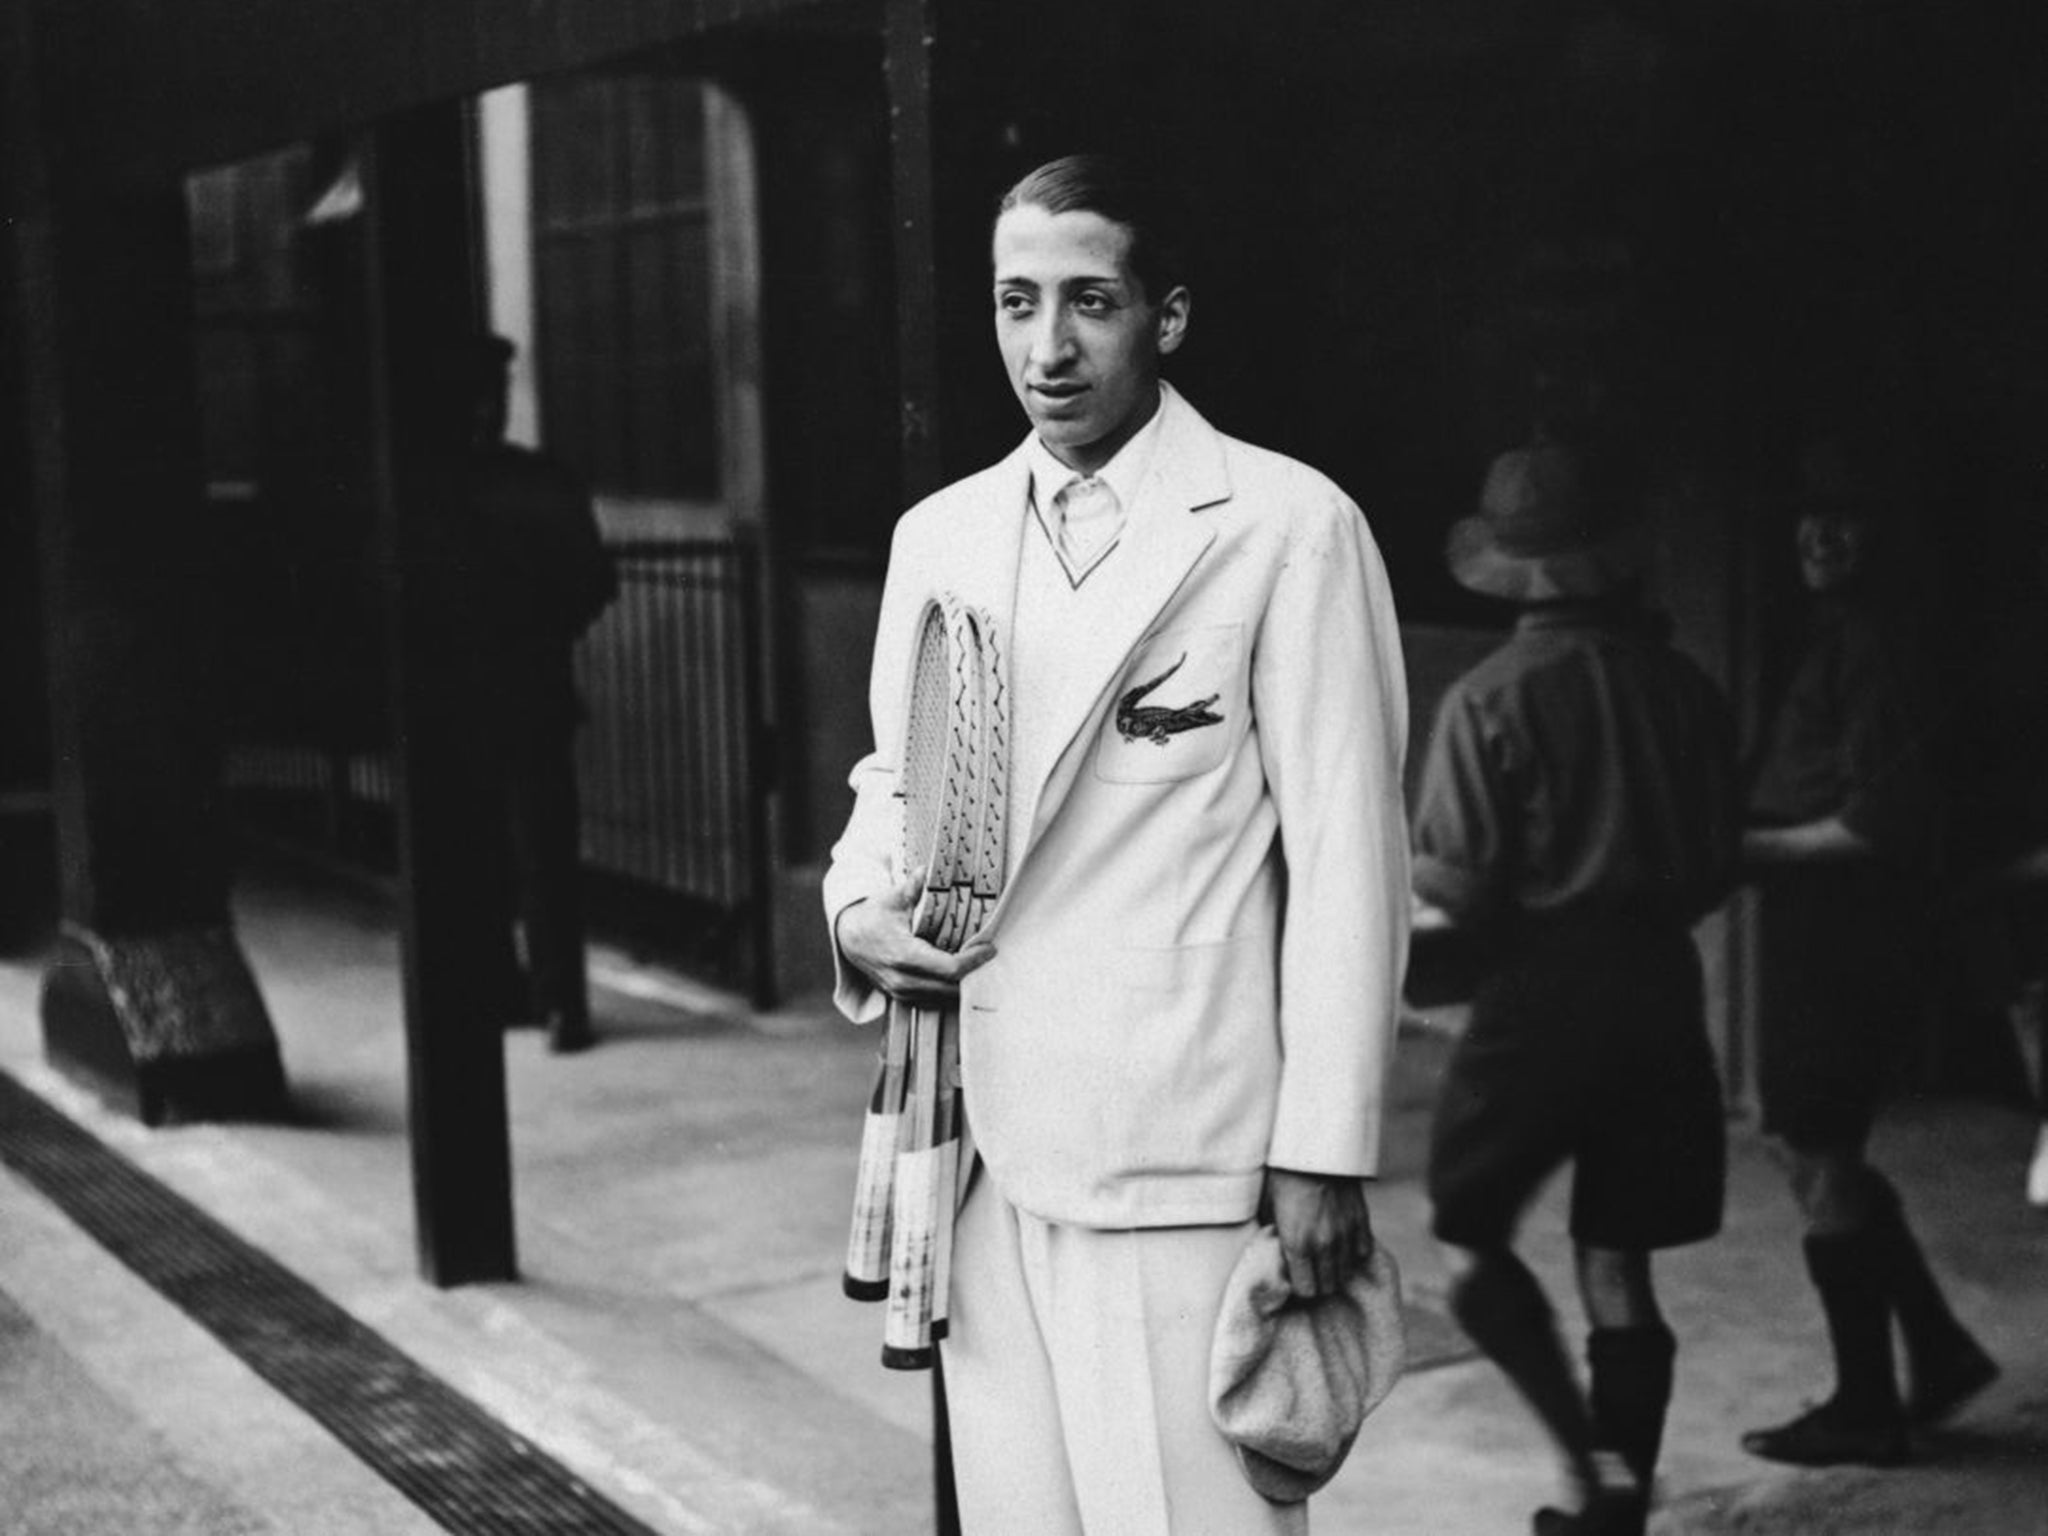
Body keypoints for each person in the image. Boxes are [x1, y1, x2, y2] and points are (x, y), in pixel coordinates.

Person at [823, 154, 1410, 1533]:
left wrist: (1323, 1152)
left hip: (1183, 1148)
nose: (1048, 345)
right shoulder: (943, 535)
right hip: (979, 1141)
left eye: (1090, 301)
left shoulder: (1285, 526)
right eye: (1014, 301)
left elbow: (1349, 862)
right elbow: (891, 781)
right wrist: (857, 913)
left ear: (1169, 318)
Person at [1410, 439, 1737, 1536]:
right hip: (1658, 984)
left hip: (1538, 994)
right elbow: (1710, 868)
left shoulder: (1486, 701)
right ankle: (1622, 1508)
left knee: (1465, 1234)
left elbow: (1458, 892)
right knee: (1618, 1260)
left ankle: (1584, 1466)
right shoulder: (1686, 690)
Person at [1739, 440, 1997, 1465]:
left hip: (1844, 925)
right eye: (1807, 514)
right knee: (1812, 1149)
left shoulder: (1874, 642)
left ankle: (1863, 1407)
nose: (1819, 533)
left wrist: (1742, 848)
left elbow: (1879, 823)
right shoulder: (1836, 631)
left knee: (1818, 1154)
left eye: (1846, 516)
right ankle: (1933, 1355)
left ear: (1884, 536)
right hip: (1818, 921)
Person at [454, 333, 617, 1055]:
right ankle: (555, 1000)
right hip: (532, 684)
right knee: (540, 853)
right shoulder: (543, 481)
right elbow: (592, 581)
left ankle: (524, 994)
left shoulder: (439, 487)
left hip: (474, 692)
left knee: (494, 852)